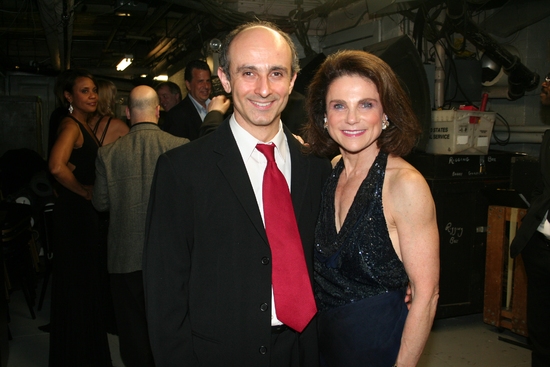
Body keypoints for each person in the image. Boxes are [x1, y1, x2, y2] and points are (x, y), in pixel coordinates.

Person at [142, 21, 331, 367]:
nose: (263, 89)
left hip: (305, 350)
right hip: (219, 354)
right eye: (248, 73)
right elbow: (164, 293)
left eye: (276, 73)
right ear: (226, 80)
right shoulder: (181, 170)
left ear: (292, 80)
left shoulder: (315, 167)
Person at [303, 50, 440, 367]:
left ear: (386, 113)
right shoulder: (331, 170)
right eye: (339, 106)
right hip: (323, 347)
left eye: (366, 104)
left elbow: (427, 295)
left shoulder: (404, 184)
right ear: (324, 116)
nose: (352, 118)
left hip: (379, 351)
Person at [92, 85, 189, 367]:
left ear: (127, 112)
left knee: (133, 335)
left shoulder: (107, 154)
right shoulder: (181, 146)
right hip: (170, 260)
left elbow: (100, 203)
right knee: (171, 331)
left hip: (124, 259)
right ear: (158, 110)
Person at [48, 69, 112, 366]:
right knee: (79, 288)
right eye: (84, 91)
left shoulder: (82, 125)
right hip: (74, 218)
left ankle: (81, 354)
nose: (92, 96)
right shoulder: (71, 125)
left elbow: (72, 165)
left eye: (94, 91)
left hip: (80, 218)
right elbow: (56, 166)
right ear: (69, 97)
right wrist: (83, 193)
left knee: (83, 288)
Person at [510, 72, 550, 367]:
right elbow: (543, 185)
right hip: (541, 246)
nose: (545, 84)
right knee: (542, 331)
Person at [162, 59, 213, 140]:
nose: (206, 86)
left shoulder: (218, 109)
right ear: (188, 85)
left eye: (208, 81)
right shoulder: (176, 116)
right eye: (200, 81)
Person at [87, 78, 130, 146]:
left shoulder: (81, 122)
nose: (115, 100)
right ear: (108, 99)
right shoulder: (118, 125)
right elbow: (135, 151)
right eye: (113, 96)